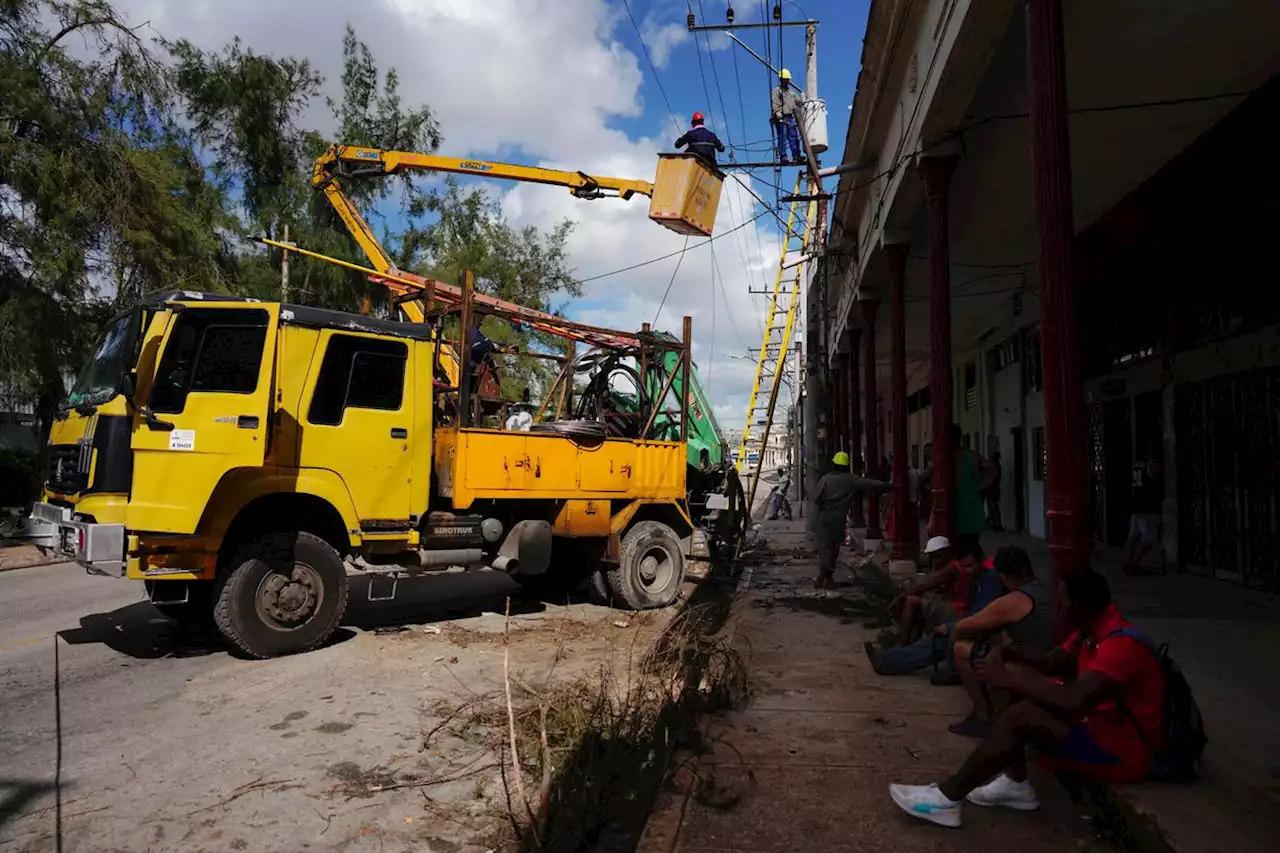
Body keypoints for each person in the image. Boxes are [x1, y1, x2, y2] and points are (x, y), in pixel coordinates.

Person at [888, 569, 1167, 829]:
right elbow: (1051, 662)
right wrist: (1009, 655)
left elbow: (1074, 700)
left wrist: (1010, 677)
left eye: (1063, 601)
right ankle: (1016, 784)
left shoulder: (1121, 644)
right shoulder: (1090, 630)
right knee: (1012, 689)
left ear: (1078, 606)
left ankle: (946, 799)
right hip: (1098, 728)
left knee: (1023, 714)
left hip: (1126, 752)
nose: (1059, 607)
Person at [943, 545, 1056, 738]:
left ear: (1003, 575)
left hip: (1033, 665)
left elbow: (963, 628)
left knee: (961, 647)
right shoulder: (1044, 588)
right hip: (1048, 657)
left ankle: (982, 715)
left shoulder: (1014, 600)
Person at [865, 543, 1002, 677]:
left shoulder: (989, 580)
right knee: (931, 644)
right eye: (965, 567)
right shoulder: (977, 578)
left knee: (937, 643)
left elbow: (981, 617)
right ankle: (887, 660)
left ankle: (889, 660)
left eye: (971, 566)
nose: (968, 571)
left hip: (979, 630)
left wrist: (951, 626)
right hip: (969, 622)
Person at [811, 451, 891, 589]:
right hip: (839, 518)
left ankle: (823, 577)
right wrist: (890, 485)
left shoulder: (826, 479)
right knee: (835, 547)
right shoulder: (851, 479)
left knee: (825, 547)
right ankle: (826, 578)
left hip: (825, 516)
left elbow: (817, 498)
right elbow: (871, 484)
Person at [920, 423, 997, 556]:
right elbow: (993, 472)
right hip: (972, 509)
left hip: (952, 511)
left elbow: (925, 480)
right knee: (972, 546)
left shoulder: (943, 459)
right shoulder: (973, 456)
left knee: (954, 549)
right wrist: (980, 487)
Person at [1123, 448, 1163, 575]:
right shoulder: (1152, 464)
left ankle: (1126, 563)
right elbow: (1156, 473)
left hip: (1136, 504)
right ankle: (1133, 564)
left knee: (1133, 536)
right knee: (1149, 538)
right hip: (1147, 506)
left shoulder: (1137, 464)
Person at [770, 69, 805, 164]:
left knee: (794, 137)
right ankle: (783, 156)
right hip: (781, 117)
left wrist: (805, 100)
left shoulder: (791, 93)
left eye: (787, 79)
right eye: (785, 79)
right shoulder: (777, 91)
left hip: (790, 117)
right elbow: (775, 103)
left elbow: (799, 103)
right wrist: (777, 113)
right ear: (781, 79)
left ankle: (796, 156)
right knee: (782, 137)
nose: (787, 81)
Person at [985, 450, 1005, 531]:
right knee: (994, 507)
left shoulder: (994, 467)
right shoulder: (997, 466)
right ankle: (995, 524)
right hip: (994, 489)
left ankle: (996, 524)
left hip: (992, 489)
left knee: (993, 507)